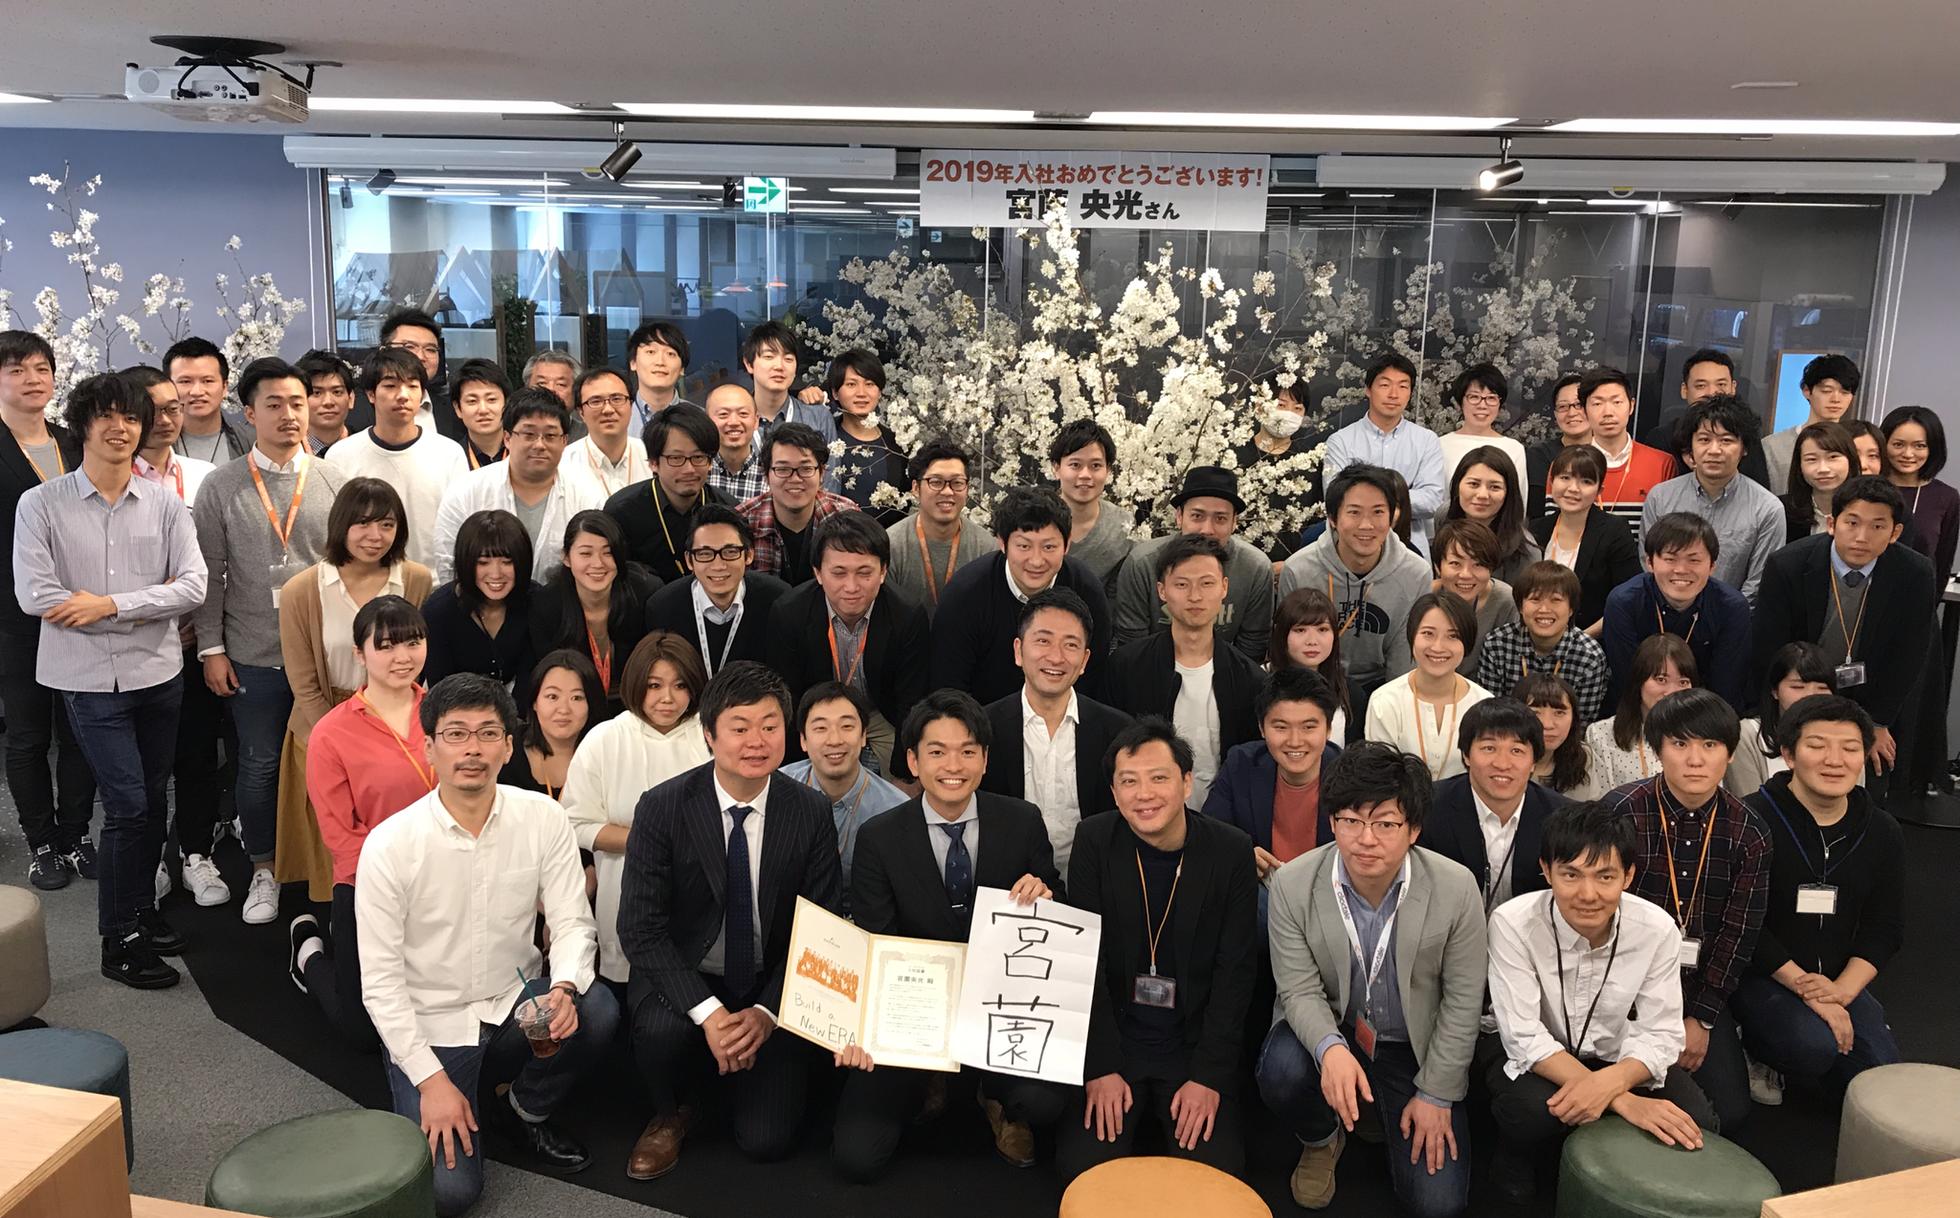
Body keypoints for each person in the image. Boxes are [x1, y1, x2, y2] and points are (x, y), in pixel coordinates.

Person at [356, 673, 620, 1214]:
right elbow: (379, 985)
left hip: (512, 1007)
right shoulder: (390, 845)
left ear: (508, 747)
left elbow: (573, 922)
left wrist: (564, 988)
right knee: (451, 1194)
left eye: (487, 733)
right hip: (432, 1027)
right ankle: (453, 1091)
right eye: (455, 734)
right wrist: (432, 1082)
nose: (472, 749)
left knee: (596, 1008)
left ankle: (520, 1110)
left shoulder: (542, 817)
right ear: (429, 748)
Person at [18, 369, 209, 989]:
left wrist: (109, 605)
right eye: (106, 415)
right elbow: (37, 595)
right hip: (87, 678)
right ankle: (118, 939)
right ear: (82, 425)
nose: (120, 427)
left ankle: (141, 909)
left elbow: (193, 586)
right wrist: (147, 602)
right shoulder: (41, 504)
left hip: (157, 672)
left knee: (151, 800)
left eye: (131, 416)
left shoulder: (165, 503)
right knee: (127, 805)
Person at [616, 661, 844, 1177]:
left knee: (766, 1142)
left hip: (768, 982)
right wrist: (711, 1014)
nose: (756, 741)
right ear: (709, 735)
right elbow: (640, 929)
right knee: (658, 1030)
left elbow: (822, 929)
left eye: (769, 726)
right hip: (688, 974)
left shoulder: (809, 810)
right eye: (739, 728)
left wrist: (766, 1012)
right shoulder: (662, 807)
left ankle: (737, 1077)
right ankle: (670, 1111)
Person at [836, 689, 1066, 1179]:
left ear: (985, 759)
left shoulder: (1021, 821)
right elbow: (875, 944)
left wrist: (1044, 896)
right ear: (913, 762)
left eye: (967, 751)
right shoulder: (879, 837)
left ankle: (994, 1097)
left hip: (1001, 1008)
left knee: (1044, 1103)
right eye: (937, 752)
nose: (953, 766)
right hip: (914, 1009)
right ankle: (929, 1081)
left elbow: (1055, 910)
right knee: (857, 1156)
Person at [1257, 742, 1485, 1216]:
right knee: (1282, 1070)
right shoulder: (1293, 883)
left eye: (1385, 824)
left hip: (1411, 1047)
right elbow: (1298, 988)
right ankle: (1322, 1136)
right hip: (1335, 1029)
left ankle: (1379, 1107)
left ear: (1414, 829)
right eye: (1351, 820)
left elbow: (1463, 1001)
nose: (1365, 839)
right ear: (1332, 821)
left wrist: (1436, 1094)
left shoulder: (1456, 887)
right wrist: (1331, 1050)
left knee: (1438, 1204)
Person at [1057, 718, 1258, 1180]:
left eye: (1158, 778)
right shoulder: (1094, 840)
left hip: (1191, 1045)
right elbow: (1084, 963)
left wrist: (1208, 1076)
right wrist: (1100, 1066)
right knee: (1081, 1172)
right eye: (1129, 782)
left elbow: (1235, 973)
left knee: (1217, 1176)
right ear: (1114, 792)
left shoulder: (1230, 851)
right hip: (1118, 1040)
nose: (1144, 794)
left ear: (1187, 782)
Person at [1483, 803, 1714, 1203]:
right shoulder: (1512, 923)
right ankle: (1514, 1157)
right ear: (1546, 870)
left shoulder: (1657, 928)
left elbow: (1662, 1032)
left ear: (1628, 875)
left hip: (1612, 1053)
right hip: (1534, 1054)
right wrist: (1624, 1101)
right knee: (1532, 1112)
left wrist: (1610, 1083)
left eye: (1605, 876)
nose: (1588, 895)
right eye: (1571, 875)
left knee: (1697, 1118)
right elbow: (1522, 1035)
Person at [191, 357, 349, 925]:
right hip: (252, 655)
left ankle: (333, 868)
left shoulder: (335, 480)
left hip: (326, 658)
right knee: (257, 768)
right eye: (274, 404)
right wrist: (211, 649)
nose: (289, 415)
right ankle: (264, 868)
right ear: (248, 412)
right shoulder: (221, 486)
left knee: (332, 765)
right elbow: (208, 575)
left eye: (297, 403)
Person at [1598, 687, 1769, 1132]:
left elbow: (1738, 934)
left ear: (1730, 754)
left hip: (1696, 990)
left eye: (1710, 745)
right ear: (1658, 750)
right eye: (1679, 744)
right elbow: (1592, 913)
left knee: (1729, 1111)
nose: (1695, 760)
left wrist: (1702, 1018)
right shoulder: (1620, 812)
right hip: (1619, 985)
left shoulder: (1749, 831)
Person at [1734, 695, 1903, 1096]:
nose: (1834, 760)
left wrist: (1842, 991)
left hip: (1838, 979)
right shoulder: (1749, 819)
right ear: (1789, 755)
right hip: (1763, 975)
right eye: (1817, 745)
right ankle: (1751, 1045)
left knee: (1880, 1076)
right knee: (1811, 1048)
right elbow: (1744, 925)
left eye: (1850, 748)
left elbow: (1885, 928)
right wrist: (1809, 992)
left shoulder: (1882, 830)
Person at [275, 477, 433, 903]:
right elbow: (303, 682)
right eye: (362, 523)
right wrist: (338, 737)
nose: (375, 536)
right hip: (324, 720)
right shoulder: (302, 590)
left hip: (399, 722)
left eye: (387, 524)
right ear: (340, 525)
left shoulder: (416, 580)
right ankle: (330, 919)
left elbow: (416, 658)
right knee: (337, 840)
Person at [291, 595, 436, 1047]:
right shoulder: (332, 732)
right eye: (386, 646)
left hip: (445, 874)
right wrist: (396, 886)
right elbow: (341, 837)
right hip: (369, 884)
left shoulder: (444, 711)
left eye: (412, 643)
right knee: (362, 1030)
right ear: (359, 653)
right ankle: (308, 955)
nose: (402, 657)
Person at [1753, 477, 1939, 784]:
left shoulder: (1915, 573)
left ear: (1895, 533)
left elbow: (1909, 654)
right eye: (1852, 523)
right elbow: (1769, 646)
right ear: (1831, 523)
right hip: (1799, 691)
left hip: (1869, 699)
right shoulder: (1788, 564)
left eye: (1877, 526)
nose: (1861, 537)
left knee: (1873, 770)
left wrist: (1877, 722)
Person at [0, 332, 96, 889]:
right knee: (29, 735)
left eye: (41, 368)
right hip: (15, 617)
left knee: (81, 730)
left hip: (83, 609)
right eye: (17, 370)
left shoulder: (72, 441)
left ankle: (76, 833)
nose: (32, 379)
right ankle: (42, 843)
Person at [123, 366, 222, 903]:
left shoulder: (203, 475)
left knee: (197, 754)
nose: (165, 420)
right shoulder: (115, 478)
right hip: (136, 645)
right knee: (145, 766)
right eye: (151, 410)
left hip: (195, 640)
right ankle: (150, 858)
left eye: (172, 408)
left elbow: (218, 564)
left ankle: (196, 854)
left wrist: (205, 632)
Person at [563, 632, 711, 986]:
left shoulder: (710, 734)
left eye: (680, 685)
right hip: (625, 891)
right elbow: (576, 823)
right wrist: (649, 843)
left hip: (702, 894)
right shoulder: (605, 738)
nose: (667, 698)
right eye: (654, 685)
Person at [766, 511, 930, 777]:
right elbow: (788, 698)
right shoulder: (790, 613)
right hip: (817, 712)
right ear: (818, 573)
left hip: (880, 712)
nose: (851, 587)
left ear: (883, 571)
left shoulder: (907, 615)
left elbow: (910, 701)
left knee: (905, 781)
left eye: (864, 573)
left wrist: (905, 775)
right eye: (839, 573)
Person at [1104, 535, 1263, 808]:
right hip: (1144, 811)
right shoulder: (1126, 667)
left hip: (1220, 818)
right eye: (1181, 584)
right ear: (1161, 590)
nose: (1195, 596)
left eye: (1207, 583)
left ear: (1224, 587)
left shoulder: (1250, 680)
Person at [980, 588, 1131, 876]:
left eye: (1070, 645)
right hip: (1009, 883)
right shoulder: (983, 728)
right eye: (1043, 641)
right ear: (1018, 650)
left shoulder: (1118, 732)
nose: (1056, 657)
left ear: (1084, 661)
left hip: (1096, 880)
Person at [929, 485, 1114, 705]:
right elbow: (949, 688)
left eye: (1049, 547)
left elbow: (1093, 679)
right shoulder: (965, 595)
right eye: (1024, 546)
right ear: (1002, 543)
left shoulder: (1087, 592)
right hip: (982, 716)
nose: (1036, 561)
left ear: (1066, 545)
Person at [1279, 464, 1433, 716]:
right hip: (1312, 684)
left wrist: (1393, 712)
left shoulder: (1416, 574)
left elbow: (1404, 659)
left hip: (1380, 688)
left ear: (1392, 516)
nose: (1366, 525)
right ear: (1332, 518)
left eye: (1378, 512)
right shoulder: (1299, 570)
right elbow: (1287, 650)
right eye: (1354, 512)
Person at [433, 388, 601, 584]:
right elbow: (449, 565)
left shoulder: (587, 495)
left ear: (564, 441)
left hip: (562, 602)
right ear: (507, 438)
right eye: (529, 434)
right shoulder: (465, 492)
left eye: (550, 435)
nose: (539, 445)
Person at [328, 348, 469, 571]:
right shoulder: (340, 456)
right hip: (366, 581)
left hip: (434, 582)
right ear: (371, 394)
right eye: (391, 386)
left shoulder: (449, 454)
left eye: (412, 386)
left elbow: (461, 527)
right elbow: (336, 530)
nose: (403, 395)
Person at [1113, 466, 1273, 661]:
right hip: (1151, 667)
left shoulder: (1255, 568)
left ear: (1234, 522)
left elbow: (1252, 645)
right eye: (1197, 516)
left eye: (1220, 519)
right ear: (1179, 516)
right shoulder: (1143, 563)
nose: (1207, 529)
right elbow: (1132, 642)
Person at [1421, 700, 1567, 914]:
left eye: (1516, 750)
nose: (1502, 764)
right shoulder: (1427, 807)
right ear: (1466, 755)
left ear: (1534, 762)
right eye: (1489, 748)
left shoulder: (1562, 817)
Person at [1600, 513, 1751, 711]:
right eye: (1670, 559)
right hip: (1636, 711)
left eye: (1694, 560)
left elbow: (1725, 688)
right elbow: (1627, 683)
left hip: (1704, 713)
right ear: (1650, 562)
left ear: (1712, 566)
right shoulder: (1623, 603)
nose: (1681, 569)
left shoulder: (1732, 607)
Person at [1641, 395, 1782, 603]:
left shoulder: (1767, 508)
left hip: (1733, 618)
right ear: (1690, 447)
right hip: (1663, 614)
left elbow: (1757, 585)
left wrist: (1726, 615)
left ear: (1744, 448)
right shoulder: (1660, 497)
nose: (1714, 450)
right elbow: (1649, 565)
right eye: (1704, 439)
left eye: (1726, 440)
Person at [1203, 666, 1342, 875]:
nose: (1295, 741)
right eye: (1281, 727)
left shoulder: (1351, 776)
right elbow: (1209, 836)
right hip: (1260, 886)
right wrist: (1241, 856)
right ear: (1262, 728)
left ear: (1328, 728)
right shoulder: (1241, 765)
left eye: (1308, 727)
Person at [781, 682, 909, 903]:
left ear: (863, 735)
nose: (835, 740)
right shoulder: (777, 790)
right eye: (821, 728)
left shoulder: (895, 808)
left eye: (847, 726)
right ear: (803, 740)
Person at [529, 511, 659, 718]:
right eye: (586, 554)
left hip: (636, 706)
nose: (598, 563)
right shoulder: (546, 605)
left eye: (608, 553)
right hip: (574, 708)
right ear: (566, 557)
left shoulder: (645, 593)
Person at [1320, 353, 1446, 554]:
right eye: (1385, 385)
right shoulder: (1341, 441)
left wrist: (1367, 501)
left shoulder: (1426, 440)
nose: (1394, 394)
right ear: (1368, 389)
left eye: (1403, 386)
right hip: (1352, 545)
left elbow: (1432, 500)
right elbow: (1335, 497)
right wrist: (1399, 499)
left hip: (1410, 546)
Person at [645, 505, 790, 678]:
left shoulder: (777, 601)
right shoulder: (662, 608)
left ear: (749, 555)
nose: (718, 565)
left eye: (730, 552)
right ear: (689, 561)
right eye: (705, 554)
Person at [1365, 592, 1494, 782]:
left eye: (1453, 636)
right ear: (1412, 636)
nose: (1438, 647)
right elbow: (1379, 776)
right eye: (1428, 633)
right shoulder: (1385, 701)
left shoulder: (1484, 704)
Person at [606, 404, 731, 581]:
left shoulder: (727, 508)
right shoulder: (622, 511)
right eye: (676, 458)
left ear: (710, 462)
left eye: (698, 457)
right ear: (653, 463)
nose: (689, 469)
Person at [1476, 561, 1611, 722]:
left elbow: (1581, 724)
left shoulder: (1590, 657)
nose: (1544, 609)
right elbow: (1490, 715)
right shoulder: (1496, 644)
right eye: (1535, 599)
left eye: (1556, 600)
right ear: (1520, 606)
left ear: (1571, 609)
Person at [1527, 445, 1640, 633]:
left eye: (1586, 481)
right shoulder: (1535, 530)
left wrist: (1581, 639)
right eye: (1565, 478)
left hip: (1591, 639)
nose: (1573, 488)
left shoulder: (1614, 531)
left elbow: (1629, 597)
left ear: (1599, 490)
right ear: (1552, 481)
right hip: (1536, 635)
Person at [423, 510, 541, 687]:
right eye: (483, 562)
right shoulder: (438, 611)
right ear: (465, 562)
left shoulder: (537, 601)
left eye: (507, 562)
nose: (496, 574)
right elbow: (439, 686)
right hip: (454, 702)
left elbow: (533, 678)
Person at [1394, 518, 1517, 680]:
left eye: (1478, 564)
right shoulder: (1421, 596)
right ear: (1438, 566)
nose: (1466, 574)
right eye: (1455, 563)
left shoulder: (1505, 600)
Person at [737, 421, 858, 586]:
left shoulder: (847, 517)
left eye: (806, 469)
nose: (795, 479)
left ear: (822, 473)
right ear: (766, 475)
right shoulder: (743, 521)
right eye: (783, 469)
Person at [882, 439, 990, 617]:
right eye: (936, 482)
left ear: (967, 489)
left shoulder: (986, 548)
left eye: (957, 482)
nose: (947, 491)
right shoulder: (891, 546)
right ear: (916, 488)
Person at [1585, 633, 1698, 793]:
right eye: (1661, 679)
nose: (1671, 692)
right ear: (1639, 681)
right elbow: (1597, 802)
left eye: (1683, 682)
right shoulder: (1601, 734)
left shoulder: (1704, 735)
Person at [1645, 349, 1772, 489]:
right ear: (1684, 390)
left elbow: (1758, 489)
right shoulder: (1661, 438)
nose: (1711, 393)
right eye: (1701, 386)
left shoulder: (1746, 435)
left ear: (1733, 388)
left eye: (1721, 385)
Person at [1726, 643, 1836, 797]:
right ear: (1775, 691)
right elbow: (1748, 805)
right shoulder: (1747, 735)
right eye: (1798, 687)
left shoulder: (1846, 735)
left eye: (1822, 688)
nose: (1810, 697)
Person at [1238, 376, 1320, 561]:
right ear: (1260, 406)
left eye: (1297, 409)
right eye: (1281, 405)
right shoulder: (1235, 457)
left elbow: (1316, 522)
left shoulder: (1309, 462)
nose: (1289, 414)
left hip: (1296, 565)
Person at [501, 650, 603, 797]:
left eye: (576, 698)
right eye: (553, 696)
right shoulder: (506, 752)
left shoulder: (608, 754)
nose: (564, 709)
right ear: (535, 702)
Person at [1582, 368, 1677, 525]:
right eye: (1597, 403)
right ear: (1584, 410)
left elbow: (1669, 530)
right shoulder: (1568, 465)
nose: (1608, 412)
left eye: (1617, 402)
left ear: (1631, 406)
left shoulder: (1662, 464)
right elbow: (1557, 526)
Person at [1049, 417, 1134, 591]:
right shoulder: (1035, 517)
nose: (1085, 475)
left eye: (1095, 466)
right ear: (1056, 468)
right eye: (1075, 465)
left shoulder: (1122, 525)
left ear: (1108, 470)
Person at [1880, 404, 1959, 580]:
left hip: (1918, 593)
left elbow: (1943, 563)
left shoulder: (1947, 497)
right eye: (1898, 444)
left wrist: (1932, 597)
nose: (1908, 454)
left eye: (1919, 446)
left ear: (1933, 448)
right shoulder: (1866, 488)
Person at [1763, 355, 1860, 496]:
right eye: (1826, 391)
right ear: (1807, 391)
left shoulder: (1857, 443)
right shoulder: (1773, 446)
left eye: (1845, 392)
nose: (1836, 399)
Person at [825, 348, 907, 516]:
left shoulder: (898, 444)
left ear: (880, 391)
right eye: (851, 384)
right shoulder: (826, 438)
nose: (861, 393)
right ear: (835, 393)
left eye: (869, 384)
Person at [1443, 445, 1540, 585]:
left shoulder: (1526, 550)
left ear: (1508, 493)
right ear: (1458, 485)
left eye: (1495, 487)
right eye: (1474, 484)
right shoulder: (1444, 516)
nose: (1482, 495)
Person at [1439, 364, 1530, 512]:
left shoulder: (1514, 449)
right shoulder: (1441, 445)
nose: (1482, 405)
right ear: (1460, 402)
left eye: (1491, 398)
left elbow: (1518, 504)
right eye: (1474, 397)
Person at [1271, 588, 1355, 745]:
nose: (1312, 641)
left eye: (1322, 629)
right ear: (1281, 633)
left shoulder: (1350, 692)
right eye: (1300, 630)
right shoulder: (1256, 682)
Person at [560, 367, 653, 498]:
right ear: (581, 412)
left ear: (631, 406)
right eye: (596, 402)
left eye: (617, 399)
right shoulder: (563, 464)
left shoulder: (651, 455)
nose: (608, 409)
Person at [742, 319, 837, 447]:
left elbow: (831, 461)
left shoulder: (818, 417)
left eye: (788, 359)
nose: (779, 366)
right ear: (749, 364)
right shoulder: (732, 421)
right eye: (769, 357)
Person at [165, 336, 250, 464]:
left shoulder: (253, 442)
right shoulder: (152, 445)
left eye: (207, 381)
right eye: (185, 381)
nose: (197, 392)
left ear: (224, 387)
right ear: (168, 386)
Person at [1515, 673, 1595, 797]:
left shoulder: (1583, 757)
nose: (1548, 724)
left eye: (1559, 713)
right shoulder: (1500, 762)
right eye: (1535, 713)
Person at [1524, 373, 1589, 520]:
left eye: (1579, 405)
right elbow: (1536, 513)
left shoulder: (1606, 453)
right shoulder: (1539, 455)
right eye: (1563, 406)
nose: (1572, 413)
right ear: (1555, 414)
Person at [1780, 421, 1857, 544]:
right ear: (1799, 466)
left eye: (1833, 457)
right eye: (1811, 459)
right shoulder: (1781, 510)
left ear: (1850, 459)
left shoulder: (1869, 510)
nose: (1823, 469)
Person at [376, 307, 449, 435]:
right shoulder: (354, 410)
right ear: (384, 351)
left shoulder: (454, 410)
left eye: (430, 349)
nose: (421, 357)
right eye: (409, 347)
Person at [704, 384, 768, 504]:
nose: (734, 422)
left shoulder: (771, 474)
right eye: (723, 414)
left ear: (756, 421)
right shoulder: (697, 472)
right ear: (706, 421)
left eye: (743, 413)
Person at [627, 321, 693, 438]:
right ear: (633, 363)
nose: (660, 362)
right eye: (651, 352)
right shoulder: (615, 418)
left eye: (670, 354)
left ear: (682, 368)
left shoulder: (700, 419)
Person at [449, 359, 508, 470]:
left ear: (506, 403)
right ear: (458, 408)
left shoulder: (525, 454)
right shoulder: (448, 460)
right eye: (472, 401)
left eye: (491, 399)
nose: (483, 410)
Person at [296, 350, 355, 455]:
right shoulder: (285, 451)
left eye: (337, 392)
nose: (328, 402)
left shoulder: (368, 449)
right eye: (317, 393)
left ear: (351, 399)